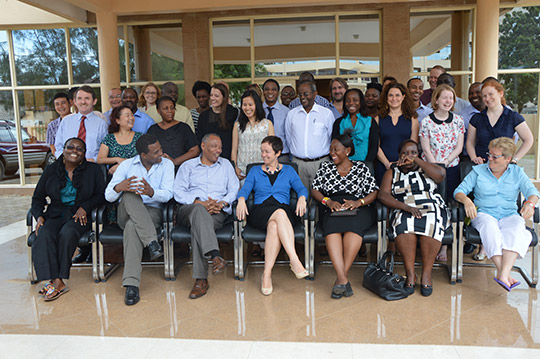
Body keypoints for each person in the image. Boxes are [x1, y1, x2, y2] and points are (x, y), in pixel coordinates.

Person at [454, 137, 539, 291]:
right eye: (490, 154)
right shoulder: (478, 171)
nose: (489, 158)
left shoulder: (517, 173)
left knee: (517, 227)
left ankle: (503, 273)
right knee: (490, 229)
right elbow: (459, 191)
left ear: (507, 159)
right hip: (484, 213)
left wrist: (530, 203)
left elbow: (532, 192)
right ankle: (504, 273)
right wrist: (467, 201)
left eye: (495, 156)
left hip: (509, 213)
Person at [31, 137, 105, 301]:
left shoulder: (93, 170)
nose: (74, 151)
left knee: (67, 233)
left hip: (80, 216)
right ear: (63, 150)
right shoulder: (51, 170)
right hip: (55, 213)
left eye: (79, 149)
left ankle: (57, 281)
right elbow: (37, 198)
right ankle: (56, 281)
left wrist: (84, 207)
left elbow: (101, 196)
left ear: (84, 154)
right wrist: (39, 216)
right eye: (70, 147)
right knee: (44, 234)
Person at [105, 134, 174, 306]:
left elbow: (168, 194)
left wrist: (151, 192)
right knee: (129, 193)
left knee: (132, 227)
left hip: (152, 212)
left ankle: (131, 285)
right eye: (156, 152)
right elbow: (108, 196)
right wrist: (118, 187)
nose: (161, 153)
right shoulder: (127, 165)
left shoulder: (167, 165)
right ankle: (152, 241)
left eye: (160, 149)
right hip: (125, 211)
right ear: (144, 155)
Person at [236, 136, 308, 295]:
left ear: (278, 153)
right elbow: (245, 190)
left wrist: (302, 198)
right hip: (260, 211)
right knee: (280, 214)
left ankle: (266, 274)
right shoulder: (255, 171)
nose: (263, 155)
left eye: (267, 152)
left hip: (282, 209)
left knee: (275, 225)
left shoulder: (289, 170)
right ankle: (294, 259)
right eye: (262, 151)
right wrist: (241, 200)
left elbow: (302, 188)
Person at [378, 139, 450, 297]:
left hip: (432, 206)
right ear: (399, 156)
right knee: (403, 224)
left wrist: (417, 161)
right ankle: (410, 274)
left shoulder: (427, 169)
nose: (408, 156)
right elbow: (382, 195)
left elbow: (441, 175)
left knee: (431, 222)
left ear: (419, 154)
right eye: (404, 153)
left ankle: (426, 274)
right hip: (404, 206)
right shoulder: (392, 171)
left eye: (413, 153)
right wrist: (406, 208)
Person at [311, 133, 378, 298]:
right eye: (331, 149)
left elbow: (374, 191)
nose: (332, 153)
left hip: (358, 208)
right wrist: (327, 201)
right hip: (333, 207)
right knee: (331, 228)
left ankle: (340, 279)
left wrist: (359, 202)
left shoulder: (361, 168)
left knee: (354, 228)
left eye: (336, 150)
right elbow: (314, 189)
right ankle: (342, 280)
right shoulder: (326, 167)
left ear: (347, 150)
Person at [173, 134, 240, 299]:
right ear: (203, 146)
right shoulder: (187, 166)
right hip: (190, 209)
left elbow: (234, 188)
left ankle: (201, 279)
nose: (218, 150)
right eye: (214, 146)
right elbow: (178, 191)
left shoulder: (226, 166)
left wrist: (223, 203)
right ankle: (215, 255)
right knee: (198, 212)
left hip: (217, 211)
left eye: (220, 147)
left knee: (200, 225)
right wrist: (199, 203)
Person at [419, 84, 465, 262]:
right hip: (430, 169)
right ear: (436, 100)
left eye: (451, 98)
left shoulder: (458, 121)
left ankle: (444, 246)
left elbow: (459, 147)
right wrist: (435, 165)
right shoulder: (426, 121)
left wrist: (445, 163)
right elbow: (425, 147)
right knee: (431, 205)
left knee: (447, 205)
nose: (448, 101)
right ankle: (429, 241)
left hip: (451, 169)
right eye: (444, 97)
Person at [466, 79, 533, 165]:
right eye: (484, 96)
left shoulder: (513, 117)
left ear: (500, 93)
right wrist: (474, 157)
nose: (487, 98)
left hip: (504, 167)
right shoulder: (476, 118)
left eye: (490, 94)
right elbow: (470, 142)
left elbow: (529, 139)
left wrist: (515, 159)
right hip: (481, 166)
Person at [285, 81, 335, 190]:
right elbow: (289, 138)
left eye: (306, 94)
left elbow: (332, 138)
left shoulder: (326, 114)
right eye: (300, 94)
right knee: (300, 199)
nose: (302, 97)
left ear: (315, 94)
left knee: (322, 198)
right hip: (298, 164)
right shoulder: (292, 114)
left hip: (321, 163)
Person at [375, 83, 419, 184]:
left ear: (403, 97)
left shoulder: (413, 119)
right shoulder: (377, 119)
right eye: (390, 95)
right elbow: (376, 145)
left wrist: (404, 162)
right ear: (386, 98)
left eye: (397, 95)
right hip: (383, 166)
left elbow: (413, 146)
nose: (394, 98)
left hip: (406, 166)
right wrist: (387, 163)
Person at [54, 85, 108, 161]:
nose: (83, 102)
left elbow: (105, 149)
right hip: (68, 167)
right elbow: (58, 146)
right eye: (79, 98)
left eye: (87, 98)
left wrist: (94, 160)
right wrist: (65, 160)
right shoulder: (66, 121)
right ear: (75, 101)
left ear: (94, 101)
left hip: (92, 166)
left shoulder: (101, 124)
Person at [147, 96, 200, 172]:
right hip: (159, 171)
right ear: (158, 111)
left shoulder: (184, 128)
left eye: (172, 108)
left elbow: (195, 150)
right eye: (165, 108)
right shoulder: (153, 130)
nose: (170, 111)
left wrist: (175, 161)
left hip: (181, 171)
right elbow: (147, 151)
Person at [231, 90, 275, 180]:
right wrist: (235, 168)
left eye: (250, 105)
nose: (247, 108)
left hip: (262, 171)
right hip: (242, 172)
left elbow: (272, 149)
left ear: (257, 105)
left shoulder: (267, 124)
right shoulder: (237, 125)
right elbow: (234, 149)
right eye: (244, 105)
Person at [331, 88, 378, 162]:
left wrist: (367, 163)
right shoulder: (339, 122)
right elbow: (334, 145)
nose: (351, 103)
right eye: (348, 100)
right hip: (343, 165)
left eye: (355, 100)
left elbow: (374, 146)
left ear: (361, 102)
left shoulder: (370, 121)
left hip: (365, 164)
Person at [196, 83, 239, 160]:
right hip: (209, 158)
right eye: (211, 95)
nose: (212, 98)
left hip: (228, 158)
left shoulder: (233, 113)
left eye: (216, 96)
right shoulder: (204, 116)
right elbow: (200, 138)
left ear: (224, 97)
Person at [97, 105, 142, 175]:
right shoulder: (109, 138)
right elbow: (100, 159)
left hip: (136, 177)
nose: (131, 118)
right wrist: (117, 159)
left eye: (132, 115)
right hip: (115, 179)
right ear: (118, 120)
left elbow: (146, 158)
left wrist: (122, 165)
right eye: (127, 116)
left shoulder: (140, 137)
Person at [262, 79, 290, 161]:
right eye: (267, 89)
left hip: (282, 156)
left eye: (273, 89)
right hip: (262, 156)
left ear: (278, 92)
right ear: (263, 92)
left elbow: (289, 136)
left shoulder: (287, 112)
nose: (270, 92)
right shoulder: (257, 110)